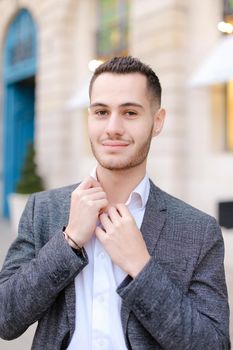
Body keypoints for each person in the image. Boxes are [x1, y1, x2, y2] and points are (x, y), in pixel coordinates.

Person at [0, 56, 230, 350]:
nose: (113, 127)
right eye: (101, 111)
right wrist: (68, 242)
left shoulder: (199, 230)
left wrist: (141, 266)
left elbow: (214, 345)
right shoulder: (42, 210)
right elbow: (6, 319)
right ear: (89, 117)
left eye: (130, 112)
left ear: (157, 121)